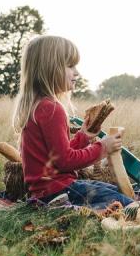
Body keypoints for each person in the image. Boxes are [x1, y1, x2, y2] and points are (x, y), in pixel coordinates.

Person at [12, 35, 133, 209]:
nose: (77, 72)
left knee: (112, 190)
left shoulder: (38, 106)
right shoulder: (52, 109)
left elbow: (57, 156)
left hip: (45, 193)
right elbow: (66, 161)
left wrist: (83, 137)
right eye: (70, 66)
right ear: (50, 69)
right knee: (124, 203)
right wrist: (103, 148)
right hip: (61, 190)